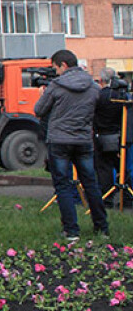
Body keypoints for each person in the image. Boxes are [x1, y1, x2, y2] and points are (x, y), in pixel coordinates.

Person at [34, 49, 108, 242]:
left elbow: (39, 110)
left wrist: (43, 94)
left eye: (55, 68)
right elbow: (98, 108)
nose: (55, 72)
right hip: (84, 140)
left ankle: (71, 231)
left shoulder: (56, 86)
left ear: (63, 65)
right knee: (91, 184)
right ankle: (102, 227)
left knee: (63, 186)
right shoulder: (93, 87)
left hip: (59, 140)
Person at [94, 68, 126, 205]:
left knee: (104, 168)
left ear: (101, 80)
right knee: (123, 166)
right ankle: (126, 195)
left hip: (102, 136)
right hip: (121, 136)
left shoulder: (99, 96)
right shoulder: (122, 96)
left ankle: (107, 198)